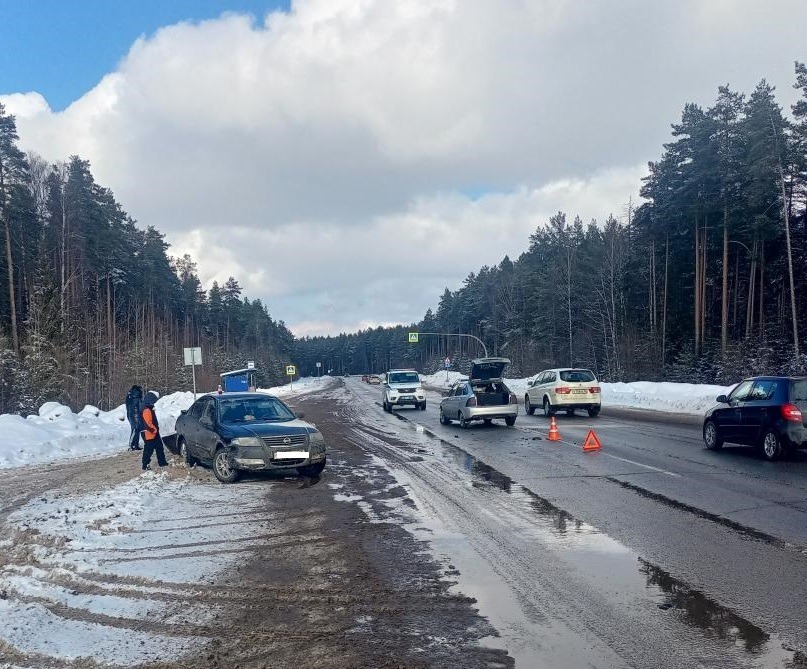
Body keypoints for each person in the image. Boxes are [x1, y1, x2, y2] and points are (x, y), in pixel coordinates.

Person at [140, 391, 167, 471]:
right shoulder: (146, 409)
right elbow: (148, 423)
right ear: (150, 399)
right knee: (148, 450)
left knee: (159, 447)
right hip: (149, 433)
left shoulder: (148, 407)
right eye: (154, 401)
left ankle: (162, 462)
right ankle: (145, 464)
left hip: (153, 432)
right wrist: (154, 430)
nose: (155, 403)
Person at [125, 385, 144, 450]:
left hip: (130, 414)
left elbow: (127, 406)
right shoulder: (137, 396)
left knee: (136, 429)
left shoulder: (129, 395)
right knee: (135, 429)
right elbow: (140, 406)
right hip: (136, 414)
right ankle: (131, 445)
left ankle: (135, 445)